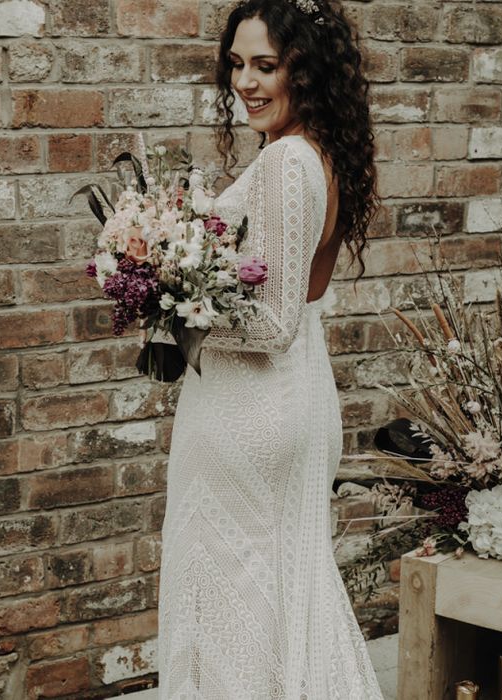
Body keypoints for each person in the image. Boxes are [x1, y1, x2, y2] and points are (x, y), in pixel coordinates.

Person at [157, 0, 383, 697]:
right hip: (290, 394)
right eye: (236, 65)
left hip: (254, 406)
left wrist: (168, 306)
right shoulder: (318, 154)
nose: (246, 83)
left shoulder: (288, 162)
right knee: (279, 593)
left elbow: (274, 322)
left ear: (304, 72)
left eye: (265, 65)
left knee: (235, 592)